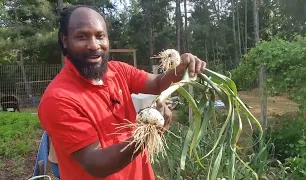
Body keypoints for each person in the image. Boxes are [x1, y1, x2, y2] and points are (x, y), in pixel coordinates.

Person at [37, 4, 206, 180]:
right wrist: (148, 133)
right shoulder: (58, 99)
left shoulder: (119, 71)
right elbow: (96, 163)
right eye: (82, 37)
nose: (94, 45)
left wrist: (181, 69)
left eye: (100, 36)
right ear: (65, 41)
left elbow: (156, 83)